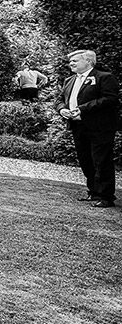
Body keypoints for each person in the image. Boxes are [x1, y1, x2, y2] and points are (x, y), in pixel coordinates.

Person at [55, 49, 118, 208]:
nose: (71, 63)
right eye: (70, 61)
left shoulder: (104, 77)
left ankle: (106, 196)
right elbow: (60, 99)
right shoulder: (69, 80)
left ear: (89, 61)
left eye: (75, 60)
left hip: (99, 127)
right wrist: (62, 109)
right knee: (85, 160)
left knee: (101, 161)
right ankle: (94, 191)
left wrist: (83, 109)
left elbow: (110, 99)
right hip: (78, 126)